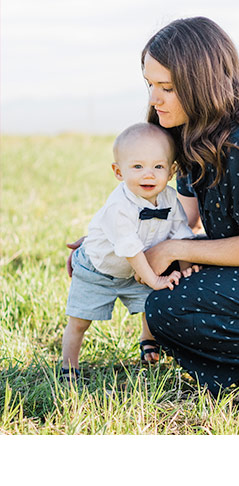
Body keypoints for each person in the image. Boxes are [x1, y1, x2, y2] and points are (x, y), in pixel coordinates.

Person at [105, 16, 239, 407]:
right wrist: (110, 239)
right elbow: (178, 217)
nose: (154, 98)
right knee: (165, 294)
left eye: (167, 87)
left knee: (169, 305)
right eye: (150, 84)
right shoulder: (196, 135)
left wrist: (172, 251)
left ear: (202, 83)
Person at [62, 123, 197, 380]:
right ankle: (69, 365)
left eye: (158, 167)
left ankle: (148, 340)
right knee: (79, 320)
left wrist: (186, 272)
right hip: (98, 269)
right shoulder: (119, 207)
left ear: (171, 172)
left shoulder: (170, 200)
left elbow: (181, 235)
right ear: (118, 172)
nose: (148, 175)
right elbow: (131, 249)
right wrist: (155, 279)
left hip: (136, 270)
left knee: (150, 304)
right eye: (137, 167)